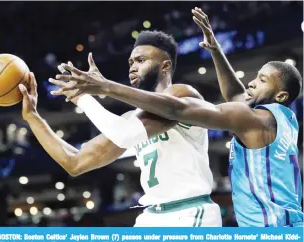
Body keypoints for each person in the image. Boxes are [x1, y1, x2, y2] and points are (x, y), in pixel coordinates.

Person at [51, 10, 303, 227]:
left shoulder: (255, 119)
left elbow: (177, 110)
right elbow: (236, 94)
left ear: (280, 95)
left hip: (272, 226)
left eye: (261, 80)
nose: (251, 82)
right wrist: (216, 49)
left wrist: (105, 87)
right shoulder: (279, 118)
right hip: (280, 222)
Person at [20, 30, 222, 227]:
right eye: (131, 63)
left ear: (165, 66)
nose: (133, 67)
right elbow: (75, 162)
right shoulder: (132, 121)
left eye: (141, 61)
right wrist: (33, 117)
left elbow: (125, 135)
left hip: (190, 213)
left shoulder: (183, 94)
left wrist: (88, 96)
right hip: (151, 216)